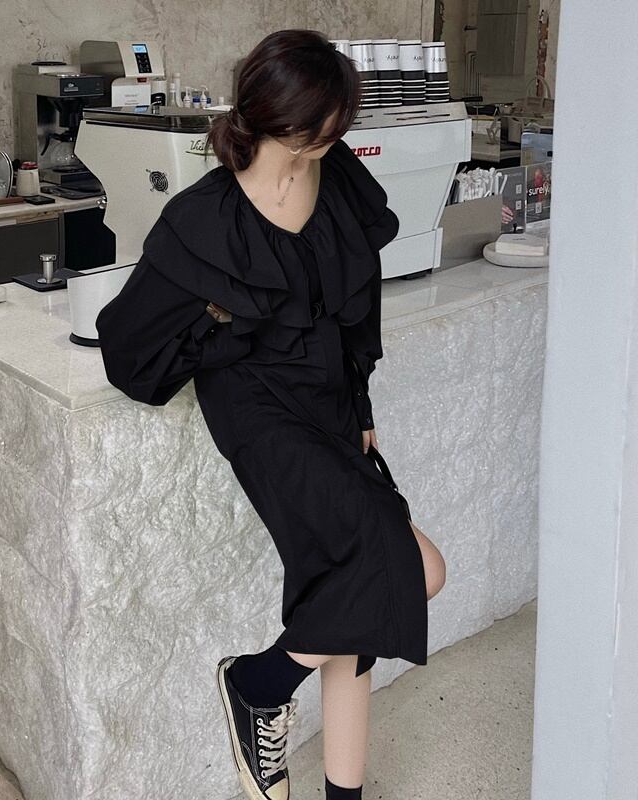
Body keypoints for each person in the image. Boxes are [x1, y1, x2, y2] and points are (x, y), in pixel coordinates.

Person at [95, 29, 447, 800]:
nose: (340, 133)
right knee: (416, 569)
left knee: (351, 612)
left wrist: (360, 400)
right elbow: (130, 351)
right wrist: (216, 319)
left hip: (330, 401)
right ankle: (259, 682)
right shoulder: (204, 220)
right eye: (329, 121)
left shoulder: (336, 172)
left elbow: (355, 306)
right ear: (284, 121)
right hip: (260, 411)